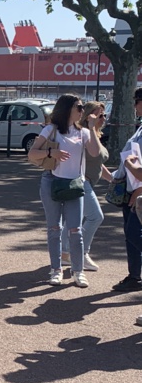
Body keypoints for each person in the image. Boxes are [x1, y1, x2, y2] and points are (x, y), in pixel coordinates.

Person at [28, 94, 101, 288]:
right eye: (79, 107)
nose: (82, 110)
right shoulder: (50, 129)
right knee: (54, 229)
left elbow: (95, 152)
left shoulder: (83, 132)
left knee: (75, 231)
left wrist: (92, 127)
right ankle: (56, 270)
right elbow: (32, 154)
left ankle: (78, 271)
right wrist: (51, 152)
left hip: (74, 184)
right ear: (68, 109)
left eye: (82, 107)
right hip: (52, 181)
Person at [60, 101, 108, 272]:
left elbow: (98, 162)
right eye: (99, 115)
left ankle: (65, 253)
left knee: (74, 218)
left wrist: (112, 179)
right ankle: (81, 253)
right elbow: (90, 154)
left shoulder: (94, 134)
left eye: (104, 115)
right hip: (81, 182)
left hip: (86, 182)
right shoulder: (83, 134)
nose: (103, 118)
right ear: (88, 116)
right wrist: (91, 127)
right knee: (95, 216)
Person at [111, 88, 142, 302]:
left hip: (138, 189)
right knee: (130, 235)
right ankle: (134, 276)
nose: (134, 105)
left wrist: (139, 189)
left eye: (137, 101)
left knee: (133, 233)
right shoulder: (139, 128)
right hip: (131, 187)